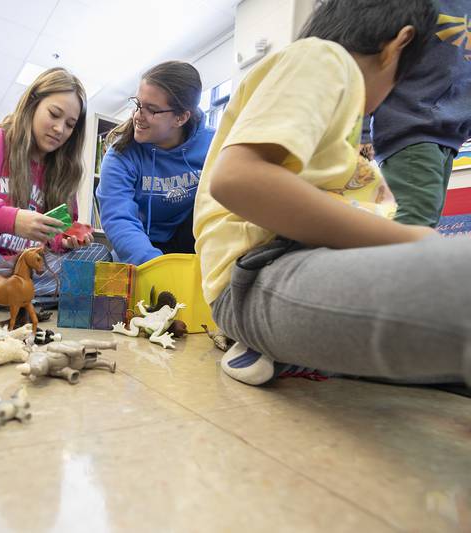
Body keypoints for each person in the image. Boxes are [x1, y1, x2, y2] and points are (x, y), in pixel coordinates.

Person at [193, 0, 471, 387]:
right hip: (256, 278)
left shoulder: (335, 111)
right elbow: (237, 180)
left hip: (278, 277)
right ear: (397, 46)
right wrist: (411, 238)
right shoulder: (325, 58)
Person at [0, 67, 111, 299]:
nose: (60, 129)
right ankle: (22, 292)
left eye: (70, 125)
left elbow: (57, 234)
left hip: (31, 265)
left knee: (100, 257)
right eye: (54, 114)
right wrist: (11, 219)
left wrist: (65, 241)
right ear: (32, 104)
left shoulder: (65, 172)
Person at [97, 61, 215, 266]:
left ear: (181, 118)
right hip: (139, 247)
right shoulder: (120, 155)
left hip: (192, 245)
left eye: (151, 110)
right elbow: (120, 220)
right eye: (137, 105)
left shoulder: (213, 145)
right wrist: (159, 269)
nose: (137, 116)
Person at [372, 0, 471, 228]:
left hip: (450, 134)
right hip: (411, 125)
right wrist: (363, 130)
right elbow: (374, 58)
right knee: (417, 221)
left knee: (426, 221)